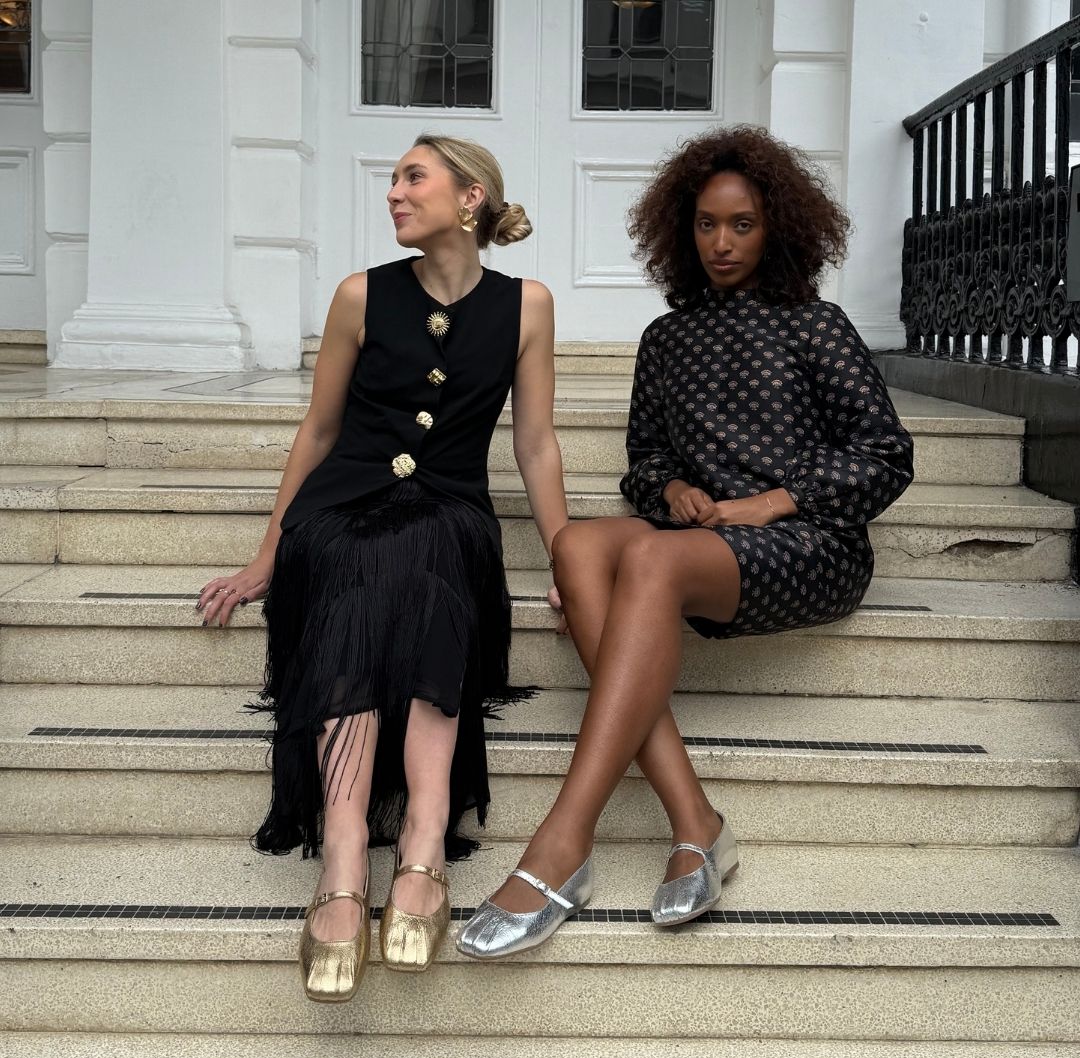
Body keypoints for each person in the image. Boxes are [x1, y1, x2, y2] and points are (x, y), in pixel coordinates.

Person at [458, 125, 915, 959]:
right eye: (707, 224)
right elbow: (646, 463)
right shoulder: (668, 339)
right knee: (580, 548)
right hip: (697, 538)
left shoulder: (816, 324)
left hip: (810, 544)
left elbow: (886, 458)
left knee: (650, 558)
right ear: (682, 229)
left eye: (741, 224)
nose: (722, 242)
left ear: (778, 226)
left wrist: (770, 503)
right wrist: (671, 488)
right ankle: (695, 820)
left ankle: (563, 842)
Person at [196, 134, 567, 999]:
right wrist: (268, 552)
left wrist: (567, 554)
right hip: (343, 508)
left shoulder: (529, 306)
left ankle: (425, 835)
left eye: (413, 178)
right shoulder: (359, 295)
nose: (394, 194)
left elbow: (537, 443)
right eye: (394, 181)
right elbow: (319, 432)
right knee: (364, 562)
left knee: (428, 554)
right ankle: (343, 850)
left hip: (451, 510)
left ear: (470, 198)